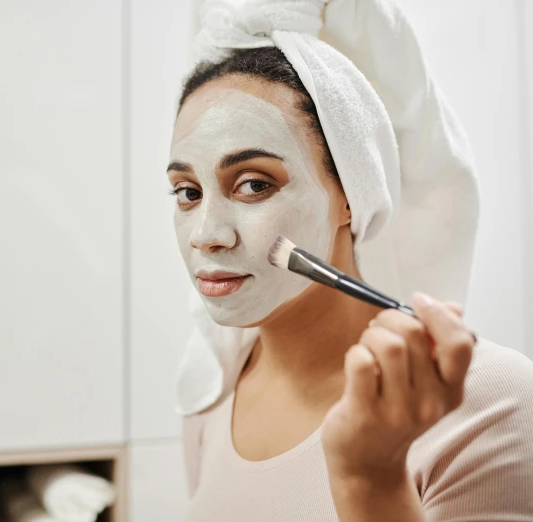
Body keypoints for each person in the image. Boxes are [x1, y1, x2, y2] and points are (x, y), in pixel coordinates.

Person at [170, 1, 533, 521]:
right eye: (186, 192)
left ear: (351, 194)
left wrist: (371, 478)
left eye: (254, 184)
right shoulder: (212, 391)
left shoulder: (492, 402)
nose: (206, 236)